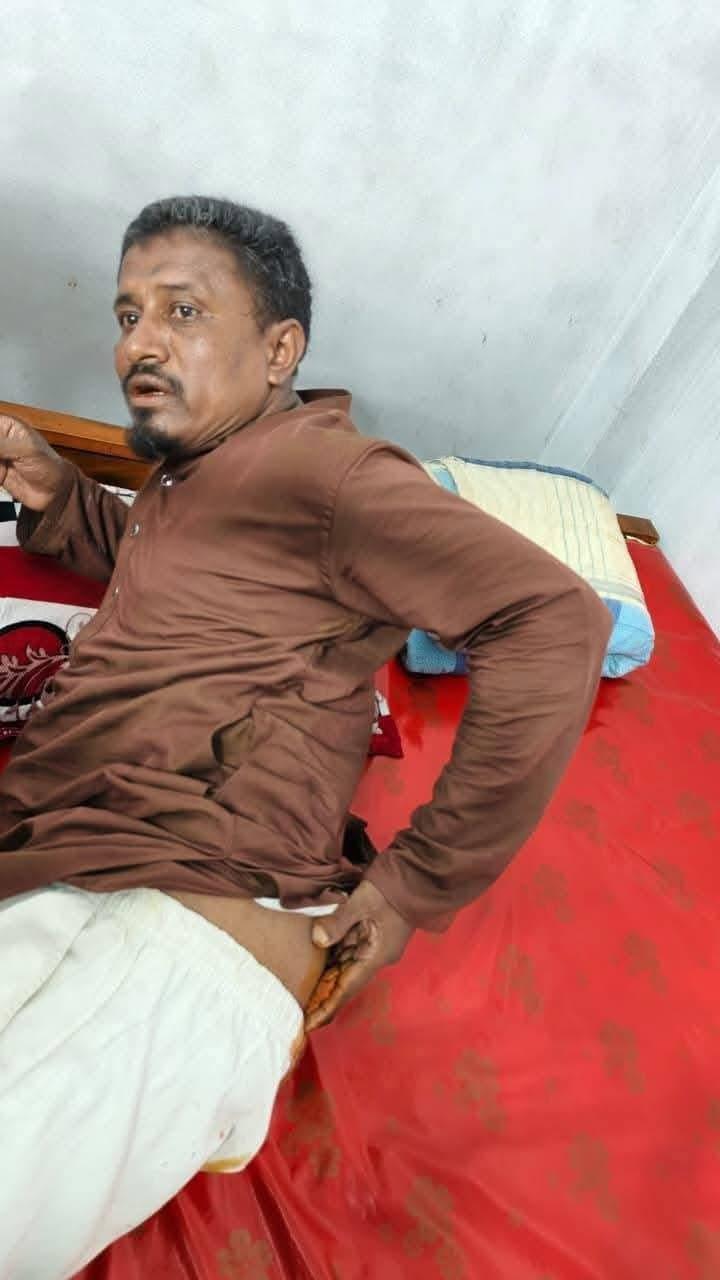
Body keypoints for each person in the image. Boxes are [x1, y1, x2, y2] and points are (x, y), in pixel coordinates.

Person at [0, 195, 611, 1277]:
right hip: (56, 865)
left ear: (280, 349)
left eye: (183, 310)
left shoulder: (329, 475)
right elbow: (165, 569)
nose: (139, 343)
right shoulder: (190, 480)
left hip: (169, 918)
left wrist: (416, 885)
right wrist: (57, 492)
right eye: (129, 313)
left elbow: (553, 618)